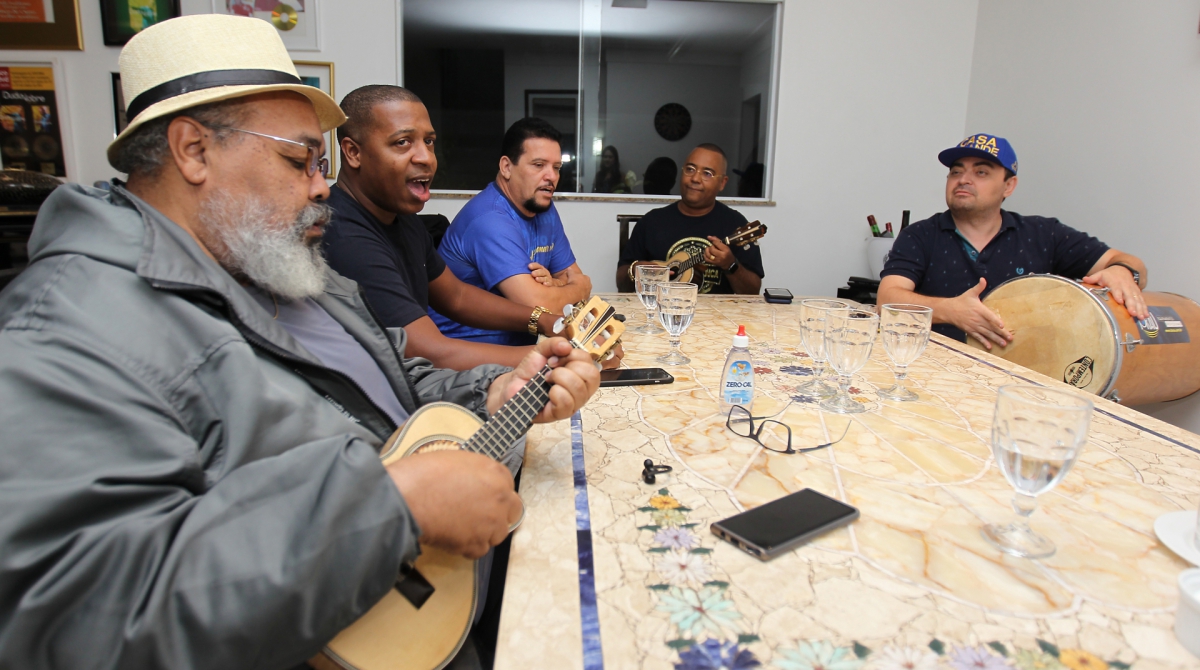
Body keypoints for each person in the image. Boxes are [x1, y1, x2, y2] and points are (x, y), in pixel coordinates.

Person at [0, 15, 600, 669]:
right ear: (192, 150)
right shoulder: (67, 328)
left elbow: (390, 377)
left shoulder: (277, 265)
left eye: (321, 163)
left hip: (436, 604)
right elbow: (73, 620)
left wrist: (495, 388)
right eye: (298, 161)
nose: (320, 187)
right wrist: (393, 509)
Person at [322, 85, 620, 371]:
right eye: (403, 142)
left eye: (429, 141)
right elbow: (430, 352)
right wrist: (569, 356)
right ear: (353, 153)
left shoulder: (401, 217)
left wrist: (548, 321)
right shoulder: (345, 235)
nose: (426, 157)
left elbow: (457, 297)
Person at [878, 133, 1149, 348]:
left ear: (1009, 186)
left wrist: (1122, 271)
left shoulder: (1044, 234)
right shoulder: (920, 235)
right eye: (956, 172)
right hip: (936, 371)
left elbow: (1130, 263)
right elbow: (887, 300)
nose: (963, 180)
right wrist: (950, 310)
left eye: (981, 172)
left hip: (1023, 377)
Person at [432, 117, 593, 345]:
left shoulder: (543, 207)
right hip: (470, 348)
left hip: (525, 342)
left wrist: (556, 285)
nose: (551, 177)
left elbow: (569, 278)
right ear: (507, 167)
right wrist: (579, 288)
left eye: (556, 168)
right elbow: (543, 306)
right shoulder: (490, 219)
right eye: (539, 165)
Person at [616, 143, 764, 295]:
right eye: (690, 169)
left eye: (707, 173)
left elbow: (752, 292)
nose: (695, 178)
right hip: (659, 308)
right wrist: (636, 271)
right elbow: (621, 283)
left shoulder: (735, 224)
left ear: (722, 183)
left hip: (716, 310)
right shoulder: (651, 221)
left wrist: (731, 264)